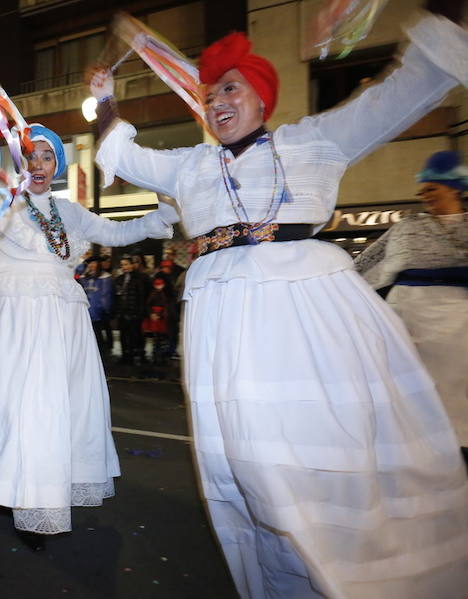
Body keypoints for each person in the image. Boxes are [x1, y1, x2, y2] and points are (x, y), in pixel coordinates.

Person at [90, 6, 468, 596]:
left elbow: (402, 92)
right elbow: (123, 156)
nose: (217, 100)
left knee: (318, 455)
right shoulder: (191, 166)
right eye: (210, 93)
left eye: (230, 88)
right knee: (249, 465)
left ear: (262, 98)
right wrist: (105, 100)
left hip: (303, 318)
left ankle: (351, 572)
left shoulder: (312, 141)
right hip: (222, 321)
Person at [0, 122, 178, 550]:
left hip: (66, 313)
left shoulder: (71, 211)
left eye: (47, 156)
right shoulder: (2, 202)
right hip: (19, 311)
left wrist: (161, 216)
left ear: (56, 165)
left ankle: (55, 484)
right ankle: (28, 497)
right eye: (31, 155)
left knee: (67, 401)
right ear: (20, 162)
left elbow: (115, 233)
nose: (38, 163)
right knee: (27, 403)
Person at [355, 150, 468, 461]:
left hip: (458, 318)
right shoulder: (408, 226)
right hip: (408, 313)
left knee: (454, 385)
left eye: (432, 188)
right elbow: (367, 261)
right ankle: (412, 444)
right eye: (422, 191)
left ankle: (455, 445)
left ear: (454, 188)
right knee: (410, 382)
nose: (425, 196)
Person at [113, 255, 148, 364]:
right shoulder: (119, 279)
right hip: (122, 313)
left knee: (136, 335)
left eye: (127, 264)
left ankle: (137, 355)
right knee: (123, 335)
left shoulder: (141, 278)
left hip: (135, 312)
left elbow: (143, 297)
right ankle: (125, 356)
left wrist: (141, 312)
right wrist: (117, 311)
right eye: (122, 265)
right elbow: (116, 296)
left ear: (132, 265)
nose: (124, 267)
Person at [79, 256, 113, 352]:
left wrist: (105, 309)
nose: (91, 265)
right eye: (90, 263)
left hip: (100, 310)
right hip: (87, 309)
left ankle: (104, 351)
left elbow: (106, 295)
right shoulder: (84, 277)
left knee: (99, 332)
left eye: (94, 263)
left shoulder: (105, 277)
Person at [141, 277, 173, 365]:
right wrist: (151, 314)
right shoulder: (154, 294)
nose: (158, 287)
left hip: (161, 319)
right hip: (156, 319)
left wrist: (159, 315)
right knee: (157, 338)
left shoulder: (164, 295)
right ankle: (157, 356)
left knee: (162, 338)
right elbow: (148, 305)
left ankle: (161, 356)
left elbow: (167, 307)